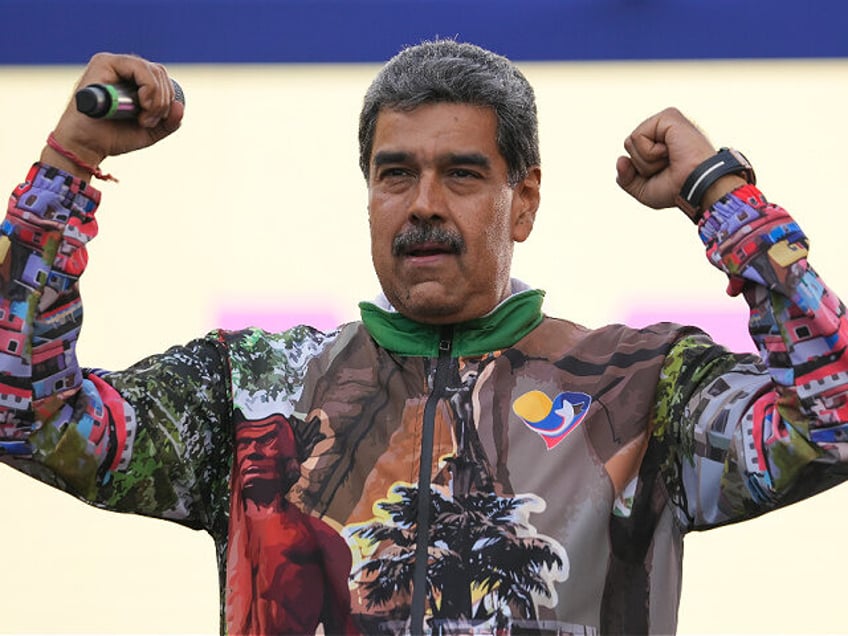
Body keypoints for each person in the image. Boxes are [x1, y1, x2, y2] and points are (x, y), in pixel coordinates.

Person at [0, 39, 846, 635]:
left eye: (464, 173)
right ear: (368, 194)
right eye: (395, 172)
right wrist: (68, 165)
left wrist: (719, 192)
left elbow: (833, 417)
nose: (425, 203)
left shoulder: (637, 382)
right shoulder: (253, 386)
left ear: (525, 201)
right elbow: (23, 416)